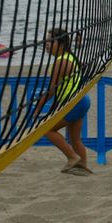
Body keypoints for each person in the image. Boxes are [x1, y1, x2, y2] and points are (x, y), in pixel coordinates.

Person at [35, 27, 92, 175]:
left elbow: (51, 91)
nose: (46, 44)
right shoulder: (70, 57)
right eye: (46, 41)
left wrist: (36, 110)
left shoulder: (61, 62)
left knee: (46, 128)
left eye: (50, 41)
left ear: (60, 44)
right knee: (75, 139)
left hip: (74, 103)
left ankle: (72, 157)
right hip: (81, 100)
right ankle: (83, 166)